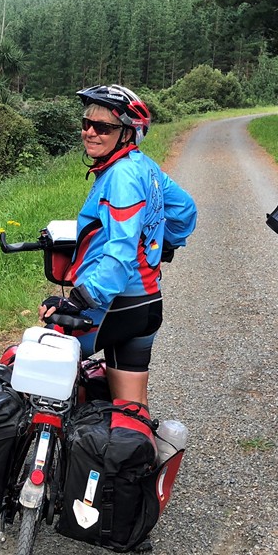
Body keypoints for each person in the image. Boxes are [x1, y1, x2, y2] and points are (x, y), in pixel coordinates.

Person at [39, 84, 197, 408]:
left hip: (112, 305)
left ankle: (55, 440)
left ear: (127, 133)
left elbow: (119, 253)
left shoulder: (121, 176)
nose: (90, 133)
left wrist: (79, 301)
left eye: (103, 127)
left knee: (40, 372)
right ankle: (137, 441)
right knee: (131, 407)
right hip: (145, 302)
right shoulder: (143, 166)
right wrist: (160, 245)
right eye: (87, 123)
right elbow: (184, 211)